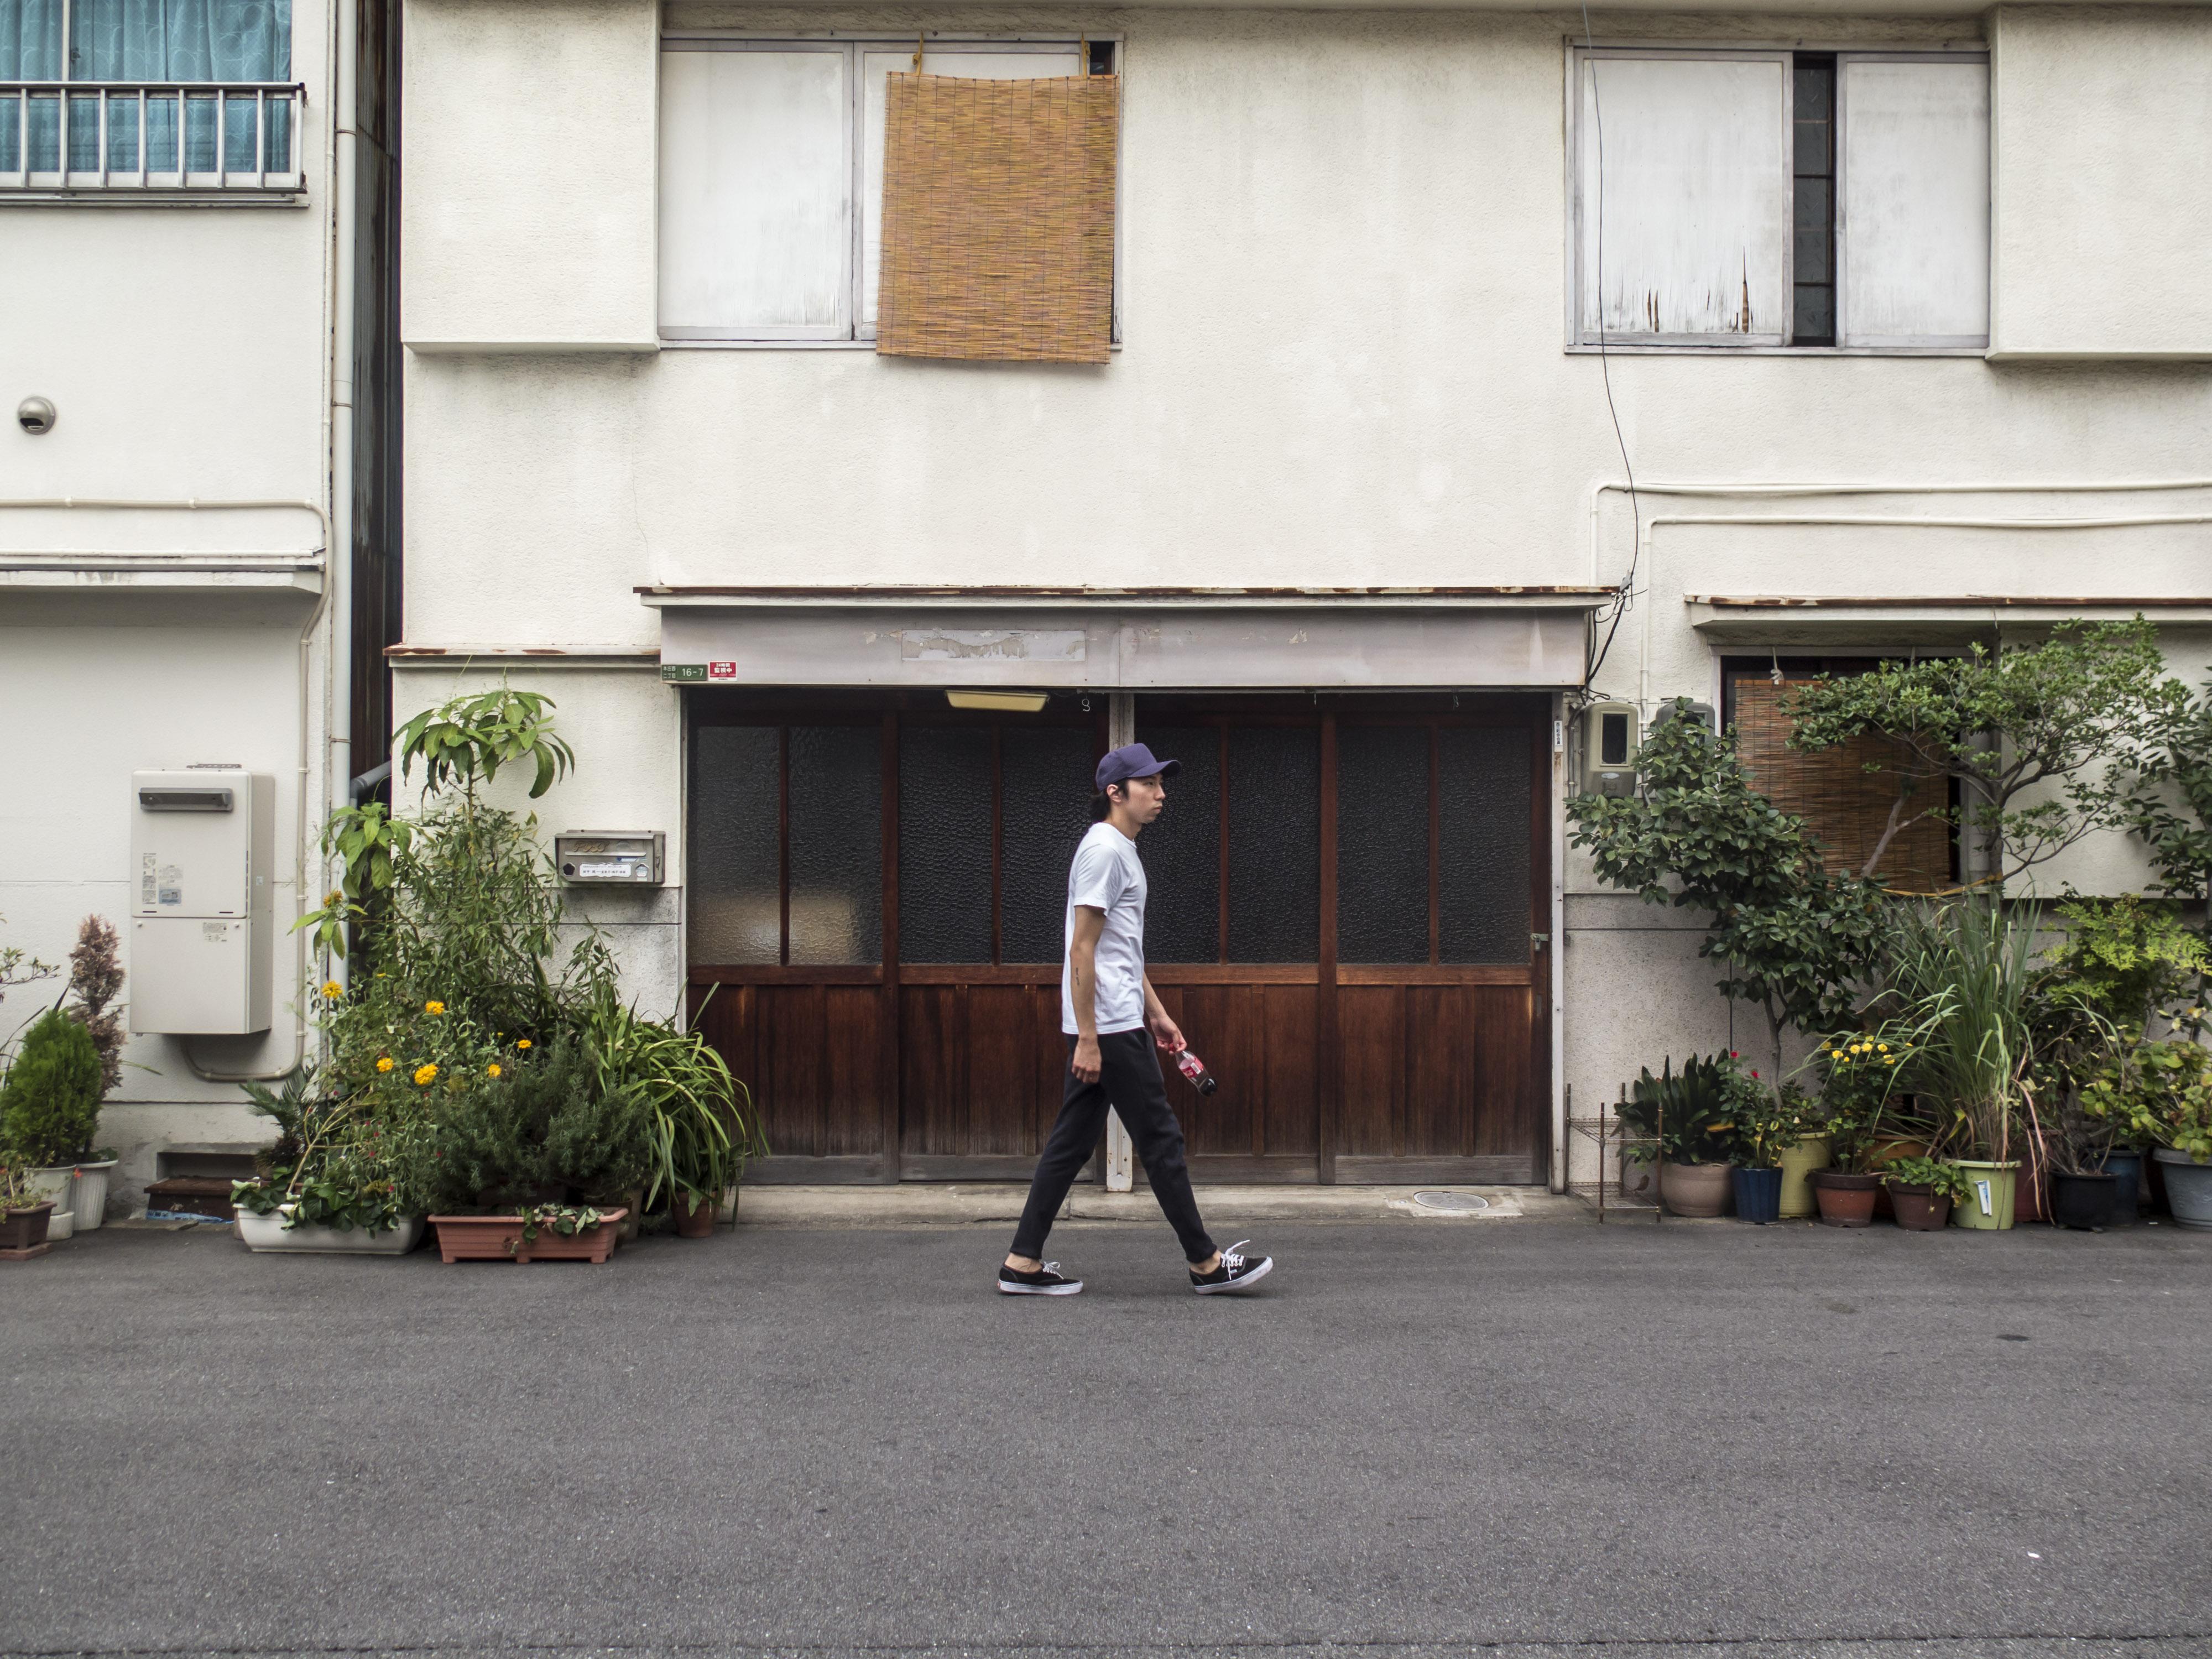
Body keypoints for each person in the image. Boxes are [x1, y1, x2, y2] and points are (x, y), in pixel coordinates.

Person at [998, 742, 1274, 1297]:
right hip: (1109, 1028)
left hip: (1117, 1020)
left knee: (1071, 1144)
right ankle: (1206, 1263)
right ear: (1116, 792)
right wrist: (1089, 1038)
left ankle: (1021, 1262)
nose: (1160, 793)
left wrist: (1159, 1013)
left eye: (1160, 783)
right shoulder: (1104, 851)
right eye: (1149, 784)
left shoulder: (1120, 849)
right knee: (1161, 1139)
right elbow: (1082, 949)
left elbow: (1119, 950)